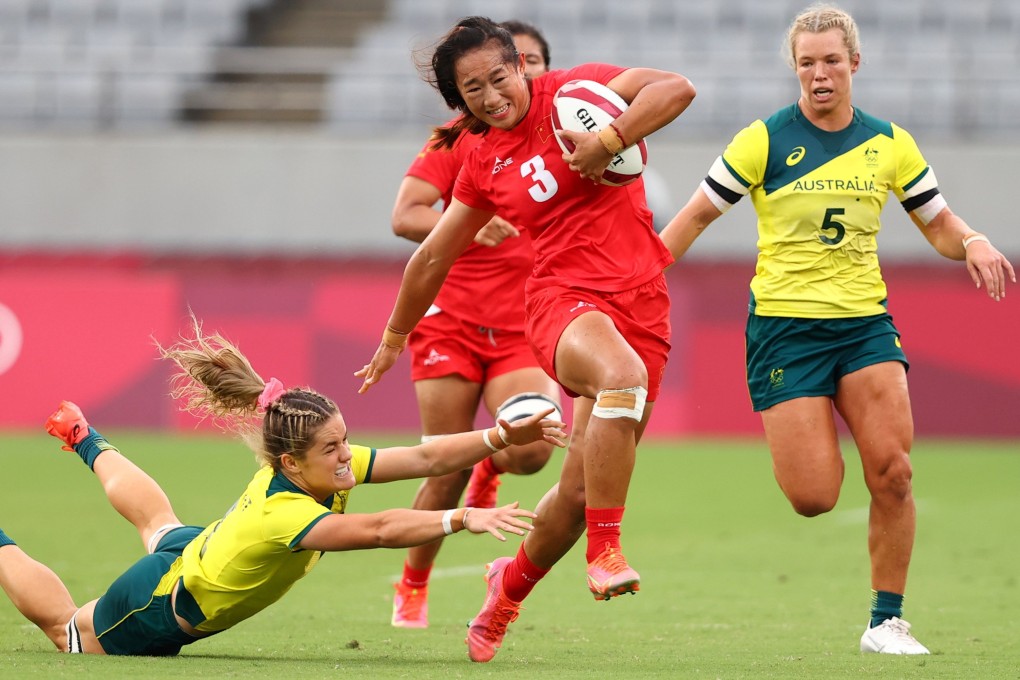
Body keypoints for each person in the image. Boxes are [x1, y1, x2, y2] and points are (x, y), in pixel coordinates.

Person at [659, 3, 1015, 656]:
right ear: (794, 69)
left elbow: (936, 224)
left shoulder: (891, 143)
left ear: (854, 62)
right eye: (806, 64)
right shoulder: (762, 140)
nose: (819, 74)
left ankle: (886, 622)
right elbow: (692, 218)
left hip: (864, 328)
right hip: (785, 332)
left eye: (830, 61)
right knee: (815, 496)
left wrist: (973, 240)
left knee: (895, 472)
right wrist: (637, 279)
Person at [356, 16, 695, 662]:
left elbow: (677, 89)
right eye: (472, 89)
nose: (490, 95)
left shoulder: (579, 93)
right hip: (561, 304)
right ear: (459, 102)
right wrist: (395, 334)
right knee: (623, 380)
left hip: (642, 305)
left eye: (497, 76)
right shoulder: (480, 161)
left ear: (521, 66)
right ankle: (607, 550)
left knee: (571, 497)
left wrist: (611, 140)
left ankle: (502, 596)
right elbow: (430, 254)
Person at [0, 319, 565, 656]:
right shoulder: (285, 512)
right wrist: (461, 518)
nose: (347, 457)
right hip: (161, 603)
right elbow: (377, 528)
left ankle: (84, 438)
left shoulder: (318, 467)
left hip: (202, 551)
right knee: (65, 631)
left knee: (160, 527)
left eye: (345, 440)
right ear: (292, 463)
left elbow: (421, 455)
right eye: (332, 449)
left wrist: (497, 435)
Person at [388, 19, 562, 631]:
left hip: (525, 322)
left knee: (535, 446)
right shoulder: (454, 139)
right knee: (443, 466)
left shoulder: (569, 132)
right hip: (451, 323)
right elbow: (406, 215)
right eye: (478, 82)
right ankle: (412, 582)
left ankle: (491, 463)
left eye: (532, 62)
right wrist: (462, 227)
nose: (523, 75)